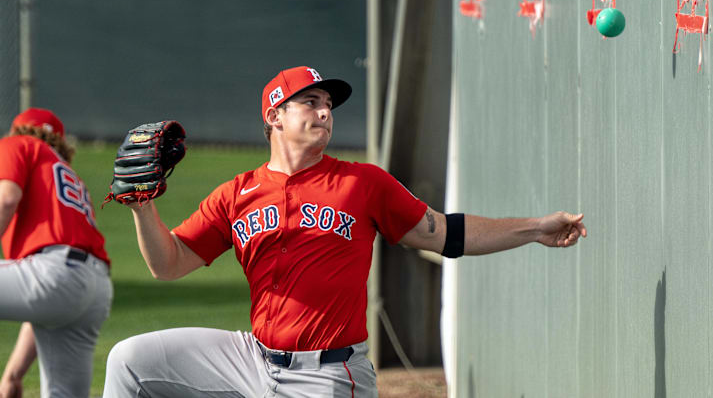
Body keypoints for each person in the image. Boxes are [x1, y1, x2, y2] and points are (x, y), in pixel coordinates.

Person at [103, 66, 587, 397]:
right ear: (274, 116)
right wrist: (142, 209)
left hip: (329, 374)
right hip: (252, 356)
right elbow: (167, 265)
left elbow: (447, 234)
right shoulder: (237, 193)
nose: (324, 112)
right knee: (130, 361)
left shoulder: (362, 183)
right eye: (310, 102)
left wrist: (534, 228)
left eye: (328, 104)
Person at [0, 108, 113, 398]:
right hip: (94, 289)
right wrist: (13, 373)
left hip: (56, 272)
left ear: (17, 130)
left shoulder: (20, 145)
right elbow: (48, 298)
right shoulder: (67, 174)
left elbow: (6, 199)